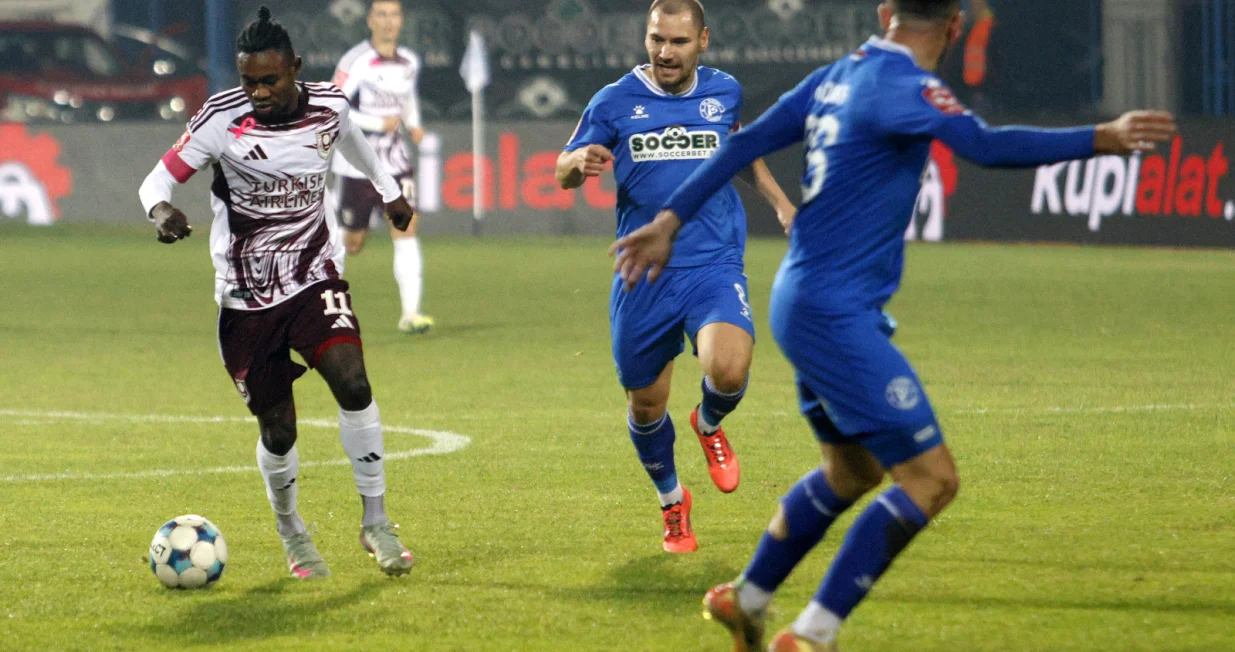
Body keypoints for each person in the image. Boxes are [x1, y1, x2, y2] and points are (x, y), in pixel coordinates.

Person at [610, 0, 1174, 647]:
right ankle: (814, 635)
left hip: (798, 298)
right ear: (956, 26)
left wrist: (668, 219)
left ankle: (747, 599)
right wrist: (1100, 137)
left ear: (884, 12)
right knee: (931, 481)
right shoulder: (906, 86)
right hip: (834, 314)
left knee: (850, 473)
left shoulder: (833, 76)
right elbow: (985, 147)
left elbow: (744, 143)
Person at [137, 6, 422, 580]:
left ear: (294, 67)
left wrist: (390, 192)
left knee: (354, 379)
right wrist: (161, 209)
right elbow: (157, 178)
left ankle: (376, 521)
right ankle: (292, 530)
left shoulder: (330, 106)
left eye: (270, 79)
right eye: (249, 81)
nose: (260, 92)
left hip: (314, 273)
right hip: (245, 297)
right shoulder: (221, 118)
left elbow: (358, 147)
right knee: (280, 429)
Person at [557, 0, 797, 554]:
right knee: (645, 405)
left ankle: (709, 422)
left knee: (729, 368)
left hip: (713, 263)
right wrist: (578, 163)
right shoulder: (613, 101)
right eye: (656, 39)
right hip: (643, 273)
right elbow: (563, 169)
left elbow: (740, 151)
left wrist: (783, 206)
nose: (665, 52)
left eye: (678, 42)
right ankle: (673, 502)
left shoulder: (723, 92)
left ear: (703, 41)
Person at [330, 0, 433, 335]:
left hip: (395, 163)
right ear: (370, 20)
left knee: (407, 226)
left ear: (401, 21)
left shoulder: (409, 61)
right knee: (353, 244)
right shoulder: (354, 60)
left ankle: (411, 314)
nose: (389, 22)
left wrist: (414, 124)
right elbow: (335, 105)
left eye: (395, 15)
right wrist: (376, 121)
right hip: (356, 164)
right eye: (383, 15)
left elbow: (409, 97)